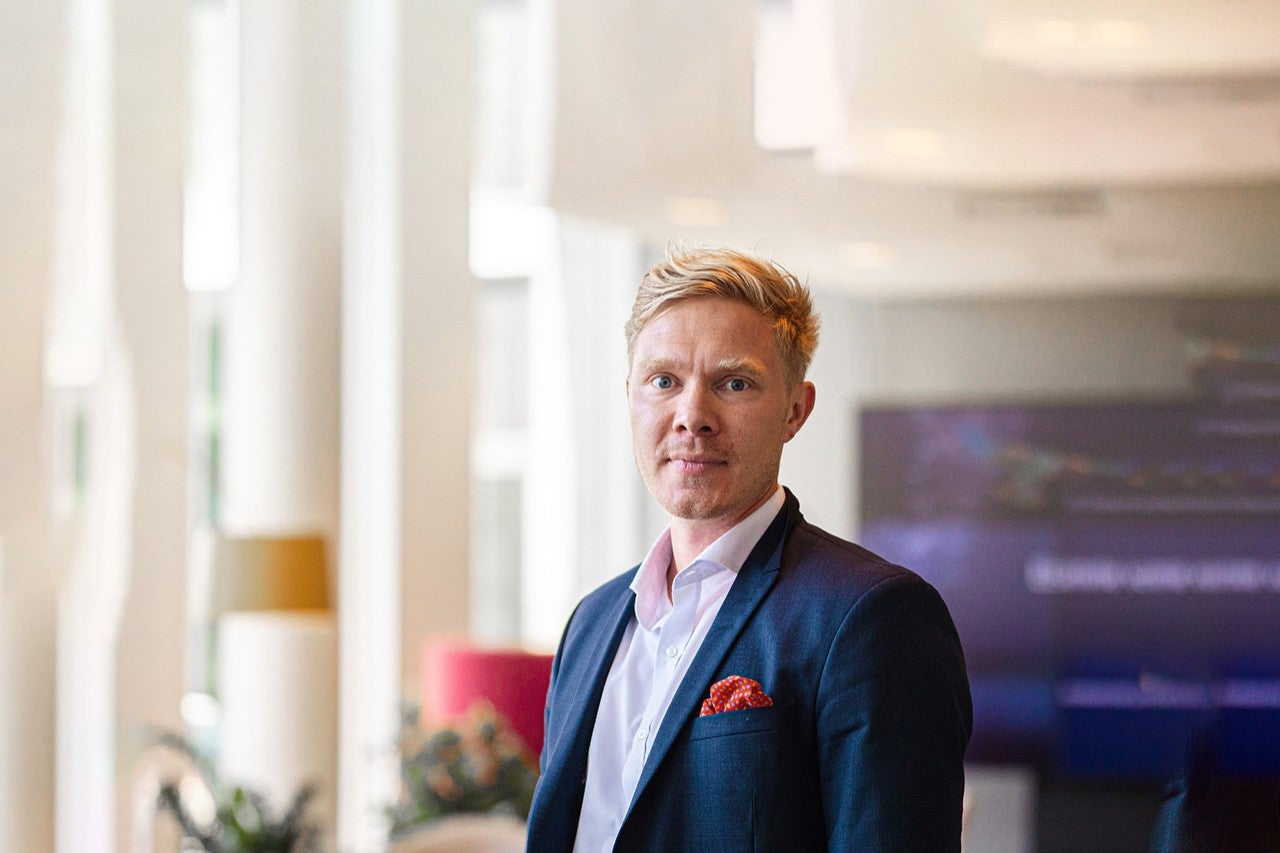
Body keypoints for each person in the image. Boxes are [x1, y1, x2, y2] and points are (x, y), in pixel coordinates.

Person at [526, 246, 972, 851]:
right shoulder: (590, 623)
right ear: (630, 394)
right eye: (663, 381)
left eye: (734, 383)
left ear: (795, 410)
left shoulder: (874, 616)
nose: (692, 416)